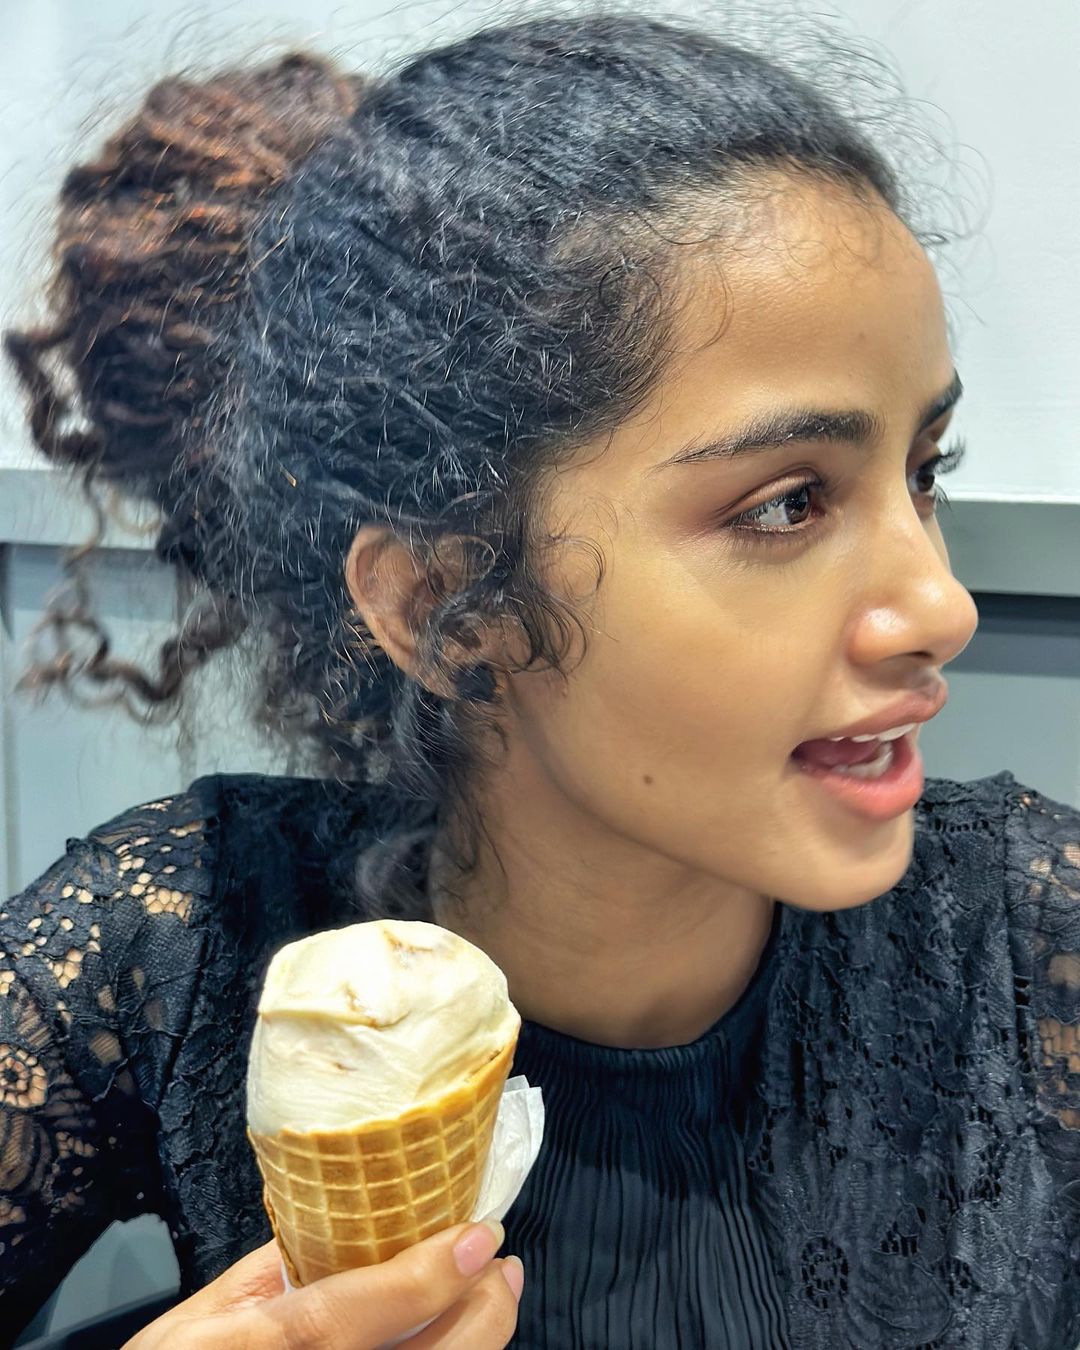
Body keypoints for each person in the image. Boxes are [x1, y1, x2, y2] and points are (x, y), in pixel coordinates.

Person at [1, 9, 1078, 1348]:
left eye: (926, 473)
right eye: (786, 504)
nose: (941, 606)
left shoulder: (1033, 946)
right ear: (444, 607)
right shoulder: (174, 944)